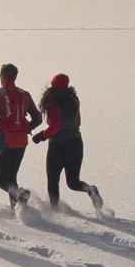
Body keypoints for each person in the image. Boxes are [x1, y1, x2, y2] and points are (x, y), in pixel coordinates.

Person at [33, 73, 104, 212]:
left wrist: (41, 136)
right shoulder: (74, 102)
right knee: (73, 182)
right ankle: (91, 190)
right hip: (76, 143)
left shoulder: (53, 104)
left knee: (53, 181)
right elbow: (78, 122)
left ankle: (54, 210)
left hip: (58, 146)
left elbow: (55, 128)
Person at [0, 63, 41, 208]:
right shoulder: (25, 94)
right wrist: (26, 127)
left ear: (2, 76)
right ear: (15, 77)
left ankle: (19, 194)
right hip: (22, 140)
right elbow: (38, 118)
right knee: (11, 177)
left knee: (0, 180)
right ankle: (17, 210)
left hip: (6, 139)